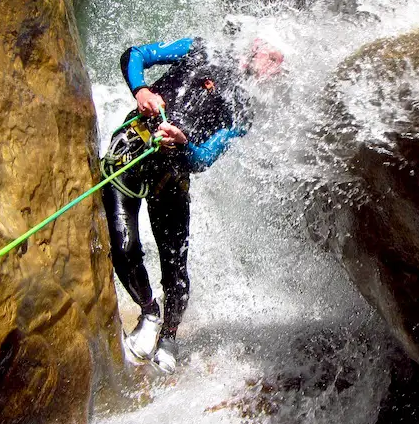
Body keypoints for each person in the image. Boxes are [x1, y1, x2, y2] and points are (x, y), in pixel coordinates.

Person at [101, 36, 284, 373]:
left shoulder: (242, 114)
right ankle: (149, 311)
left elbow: (203, 159)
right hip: (127, 154)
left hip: (170, 179)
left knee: (176, 273)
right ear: (255, 44)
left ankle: (169, 336)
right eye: (272, 55)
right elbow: (136, 54)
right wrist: (141, 90)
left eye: (279, 65)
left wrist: (183, 145)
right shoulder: (199, 48)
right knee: (124, 247)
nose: (275, 65)